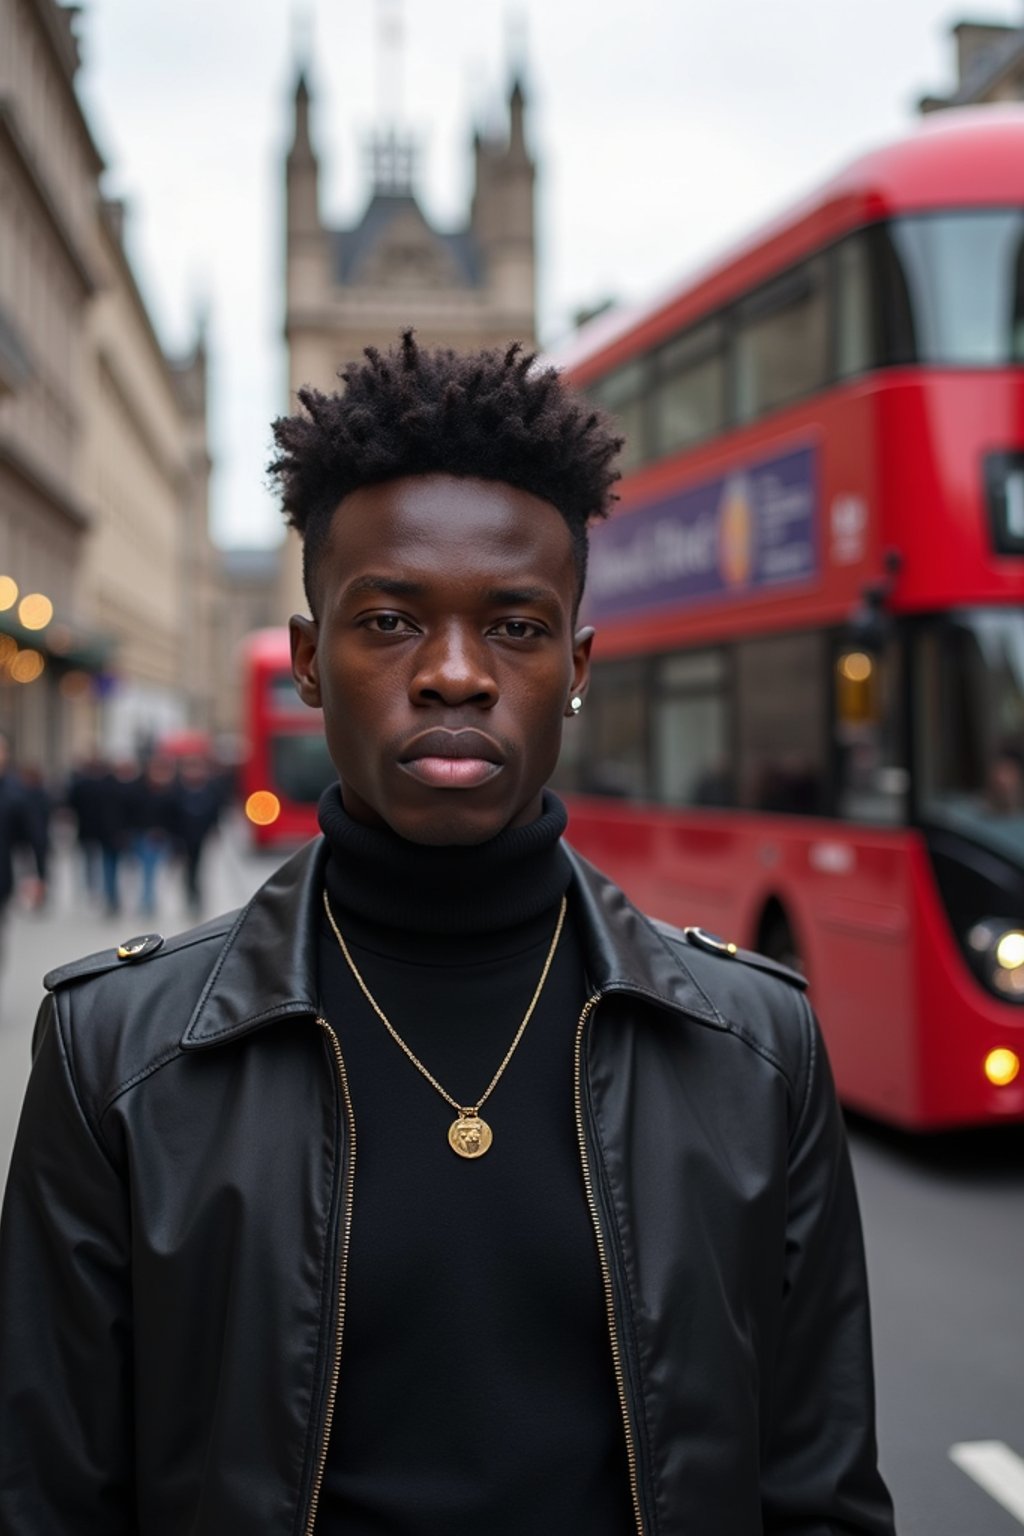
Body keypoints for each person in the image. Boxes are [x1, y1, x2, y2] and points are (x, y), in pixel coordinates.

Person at [0, 335, 896, 1534]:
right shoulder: (111, 1055)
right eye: (389, 621)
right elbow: (49, 1498)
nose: (456, 674)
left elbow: (818, 1493)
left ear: (576, 667)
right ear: (310, 663)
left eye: (517, 629)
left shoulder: (757, 1045)